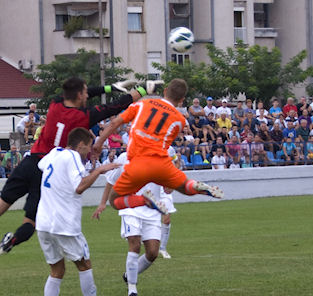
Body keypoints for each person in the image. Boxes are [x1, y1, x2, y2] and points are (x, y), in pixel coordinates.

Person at [0, 77, 143, 264]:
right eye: (85, 93)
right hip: (48, 170)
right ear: (79, 95)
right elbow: (116, 106)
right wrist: (144, 90)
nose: (87, 95)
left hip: (29, 163)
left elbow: (76, 92)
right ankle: (13, 240)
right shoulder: (84, 116)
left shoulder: (55, 104)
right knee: (30, 222)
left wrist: (109, 87)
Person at [92, 79, 223, 213]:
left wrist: (99, 143)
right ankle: (195, 185)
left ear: (165, 91)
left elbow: (114, 124)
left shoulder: (142, 104)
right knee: (184, 187)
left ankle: (144, 200)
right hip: (161, 164)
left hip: (138, 164)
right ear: (181, 99)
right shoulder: (180, 120)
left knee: (114, 200)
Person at [34, 127, 118, 296]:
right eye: (89, 147)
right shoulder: (72, 156)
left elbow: (41, 165)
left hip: (43, 223)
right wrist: (98, 170)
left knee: (57, 269)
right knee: (84, 264)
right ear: (80, 145)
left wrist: (89, 167)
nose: (89, 151)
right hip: (64, 224)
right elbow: (79, 187)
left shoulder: (55, 153)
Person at [94, 151, 161, 296]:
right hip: (130, 207)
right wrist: (103, 203)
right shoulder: (125, 157)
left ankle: (129, 275)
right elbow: (111, 181)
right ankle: (132, 290)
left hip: (151, 210)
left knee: (152, 252)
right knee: (134, 244)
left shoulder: (160, 156)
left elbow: (169, 182)